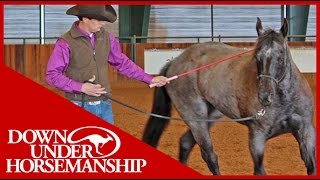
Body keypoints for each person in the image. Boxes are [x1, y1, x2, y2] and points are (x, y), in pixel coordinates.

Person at [46, 5, 169, 124]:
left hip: (105, 103)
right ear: (85, 19)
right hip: (79, 103)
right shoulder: (65, 42)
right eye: (99, 19)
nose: (103, 23)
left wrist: (150, 79)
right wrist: (81, 87)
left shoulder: (107, 37)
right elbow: (52, 75)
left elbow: (122, 62)